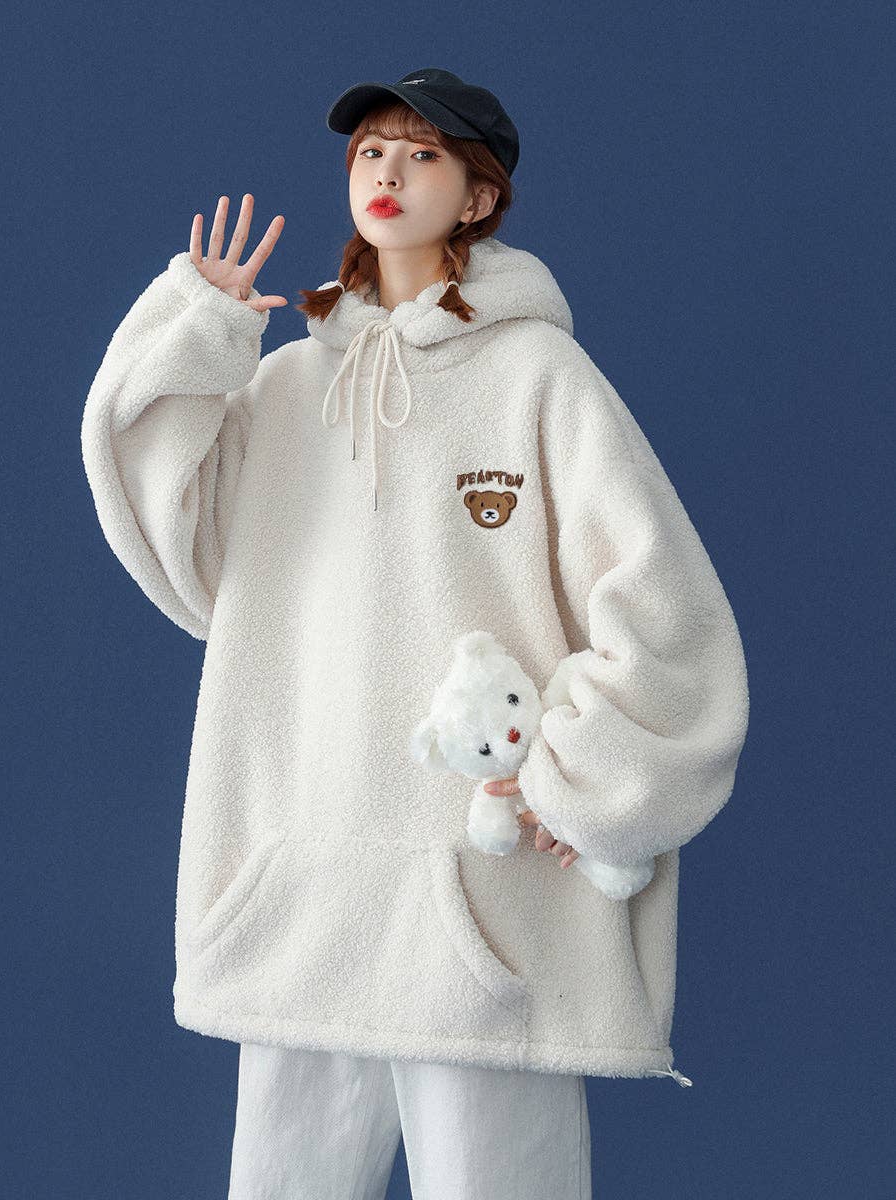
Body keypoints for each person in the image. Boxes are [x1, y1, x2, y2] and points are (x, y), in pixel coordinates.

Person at [81, 68, 749, 1199]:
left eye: (422, 153)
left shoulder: (539, 378)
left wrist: (582, 776)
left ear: (478, 197)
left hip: (481, 899)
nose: (386, 172)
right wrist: (197, 333)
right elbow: (174, 541)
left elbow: (666, 609)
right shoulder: (287, 385)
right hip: (304, 881)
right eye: (369, 153)